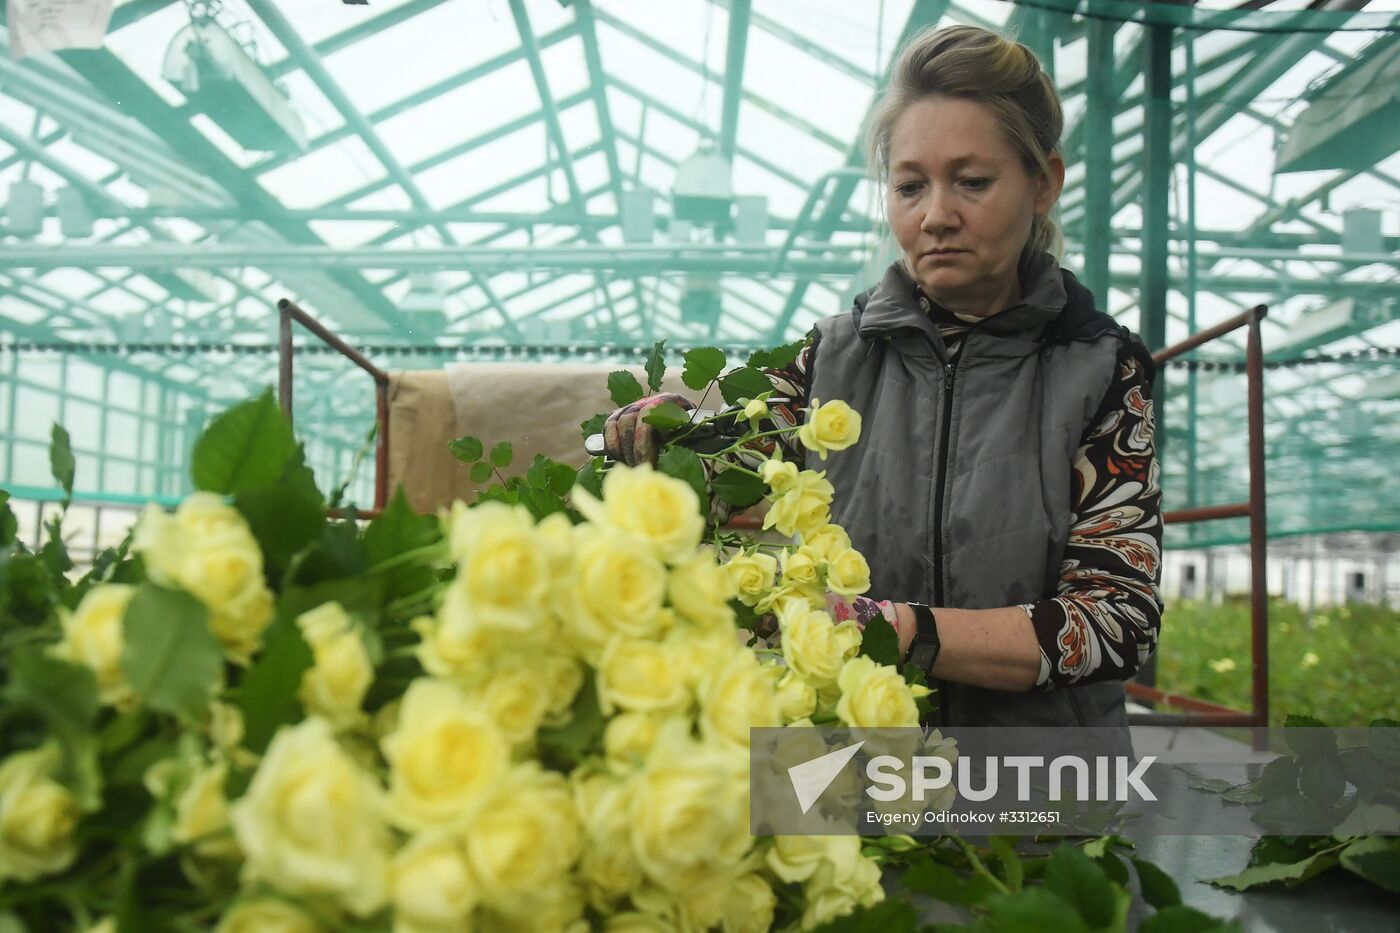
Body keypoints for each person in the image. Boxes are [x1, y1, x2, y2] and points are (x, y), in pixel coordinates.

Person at [603, 25, 1162, 745]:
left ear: (1044, 183)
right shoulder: (828, 360)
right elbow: (726, 462)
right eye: (909, 185)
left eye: (972, 181)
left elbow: (1113, 621)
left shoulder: (1100, 369)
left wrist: (902, 631)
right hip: (845, 772)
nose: (935, 215)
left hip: (1036, 795)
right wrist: (670, 434)